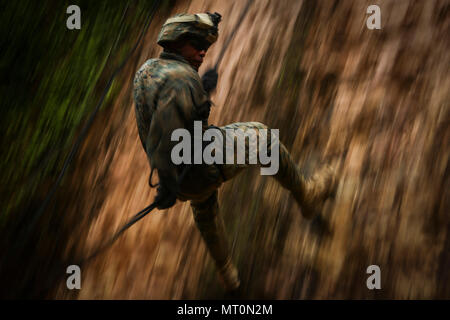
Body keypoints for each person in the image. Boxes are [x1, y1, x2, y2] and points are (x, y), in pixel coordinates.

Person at [133, 12, 338, 292]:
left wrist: (199, 96)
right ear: (177, 41)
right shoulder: (182, 81)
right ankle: (307, 196)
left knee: (204, 206)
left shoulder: (147, 71)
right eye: (196, 44)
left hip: (185, 180)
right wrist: (167, 183)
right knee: (263, 139)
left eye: (205, 45)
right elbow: (164, 133)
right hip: (193, 167)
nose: (203, 51)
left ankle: (228, 273)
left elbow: (160, 116)